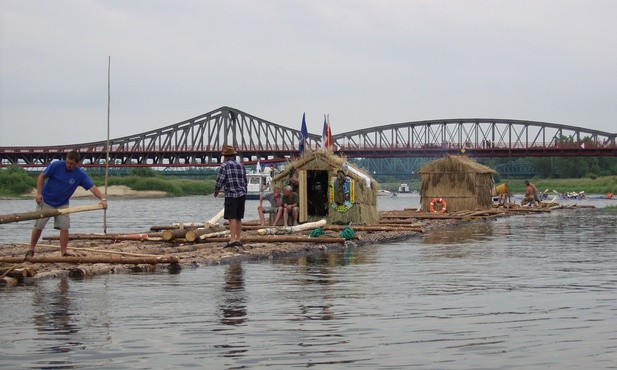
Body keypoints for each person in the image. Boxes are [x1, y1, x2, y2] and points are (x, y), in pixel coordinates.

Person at [27, 151, 108, 257]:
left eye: (72, 164)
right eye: (67, 163)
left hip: (63, 204)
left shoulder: (80, 174)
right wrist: (38, 193)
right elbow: (41, 176)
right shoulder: (56, 165)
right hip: (46, 201)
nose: (69, 165)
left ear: (77, 163)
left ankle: (64, 252)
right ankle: (31, 249)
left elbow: (92, 187)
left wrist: (103, 198)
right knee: (38, 226)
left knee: (64, 228)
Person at [214, 145, 247, 248]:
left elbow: (220, 180)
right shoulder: (241, 165)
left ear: (226, 156)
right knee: (238, 217)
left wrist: (216, 190)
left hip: (231, 194)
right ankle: (238, 238)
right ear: (234, 155)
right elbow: (245, 181)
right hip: (242, 194)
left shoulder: (224, 166)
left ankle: (232, 240)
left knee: (231, 217)